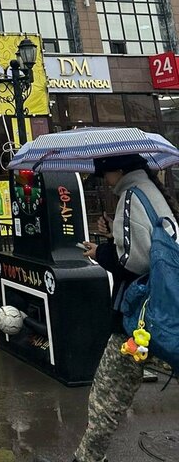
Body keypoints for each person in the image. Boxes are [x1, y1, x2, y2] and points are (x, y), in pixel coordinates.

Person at [74, 154, 179, 462]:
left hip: (137, 318)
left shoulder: (131, 196)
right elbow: (149, 245)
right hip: (160, 310)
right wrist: (114, 234)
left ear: (119, 170)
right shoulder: (152, 191)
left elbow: (132, 262)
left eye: (105, 173)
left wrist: (101, 251)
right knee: (112, 393)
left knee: (105, 397)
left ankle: (88, 458)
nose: (105, 181)